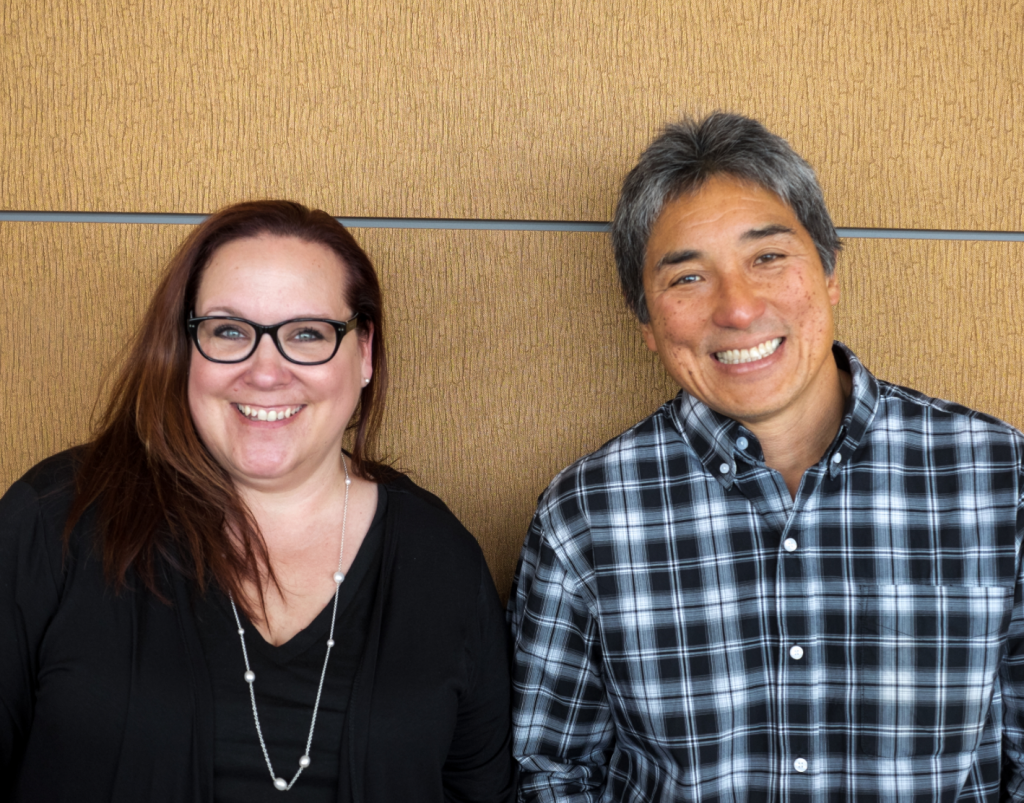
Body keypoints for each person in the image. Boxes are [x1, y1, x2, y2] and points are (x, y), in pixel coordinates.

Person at [508, 112, 1024, 800]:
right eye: (687, 278)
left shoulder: (997, 476)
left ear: (829, 271)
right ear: (649, 328)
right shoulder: (585, 516)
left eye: (768, 257)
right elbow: (549, 773)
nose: (740, 309)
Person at [0, 201, 514, 803]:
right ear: (184, 347)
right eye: (228, 331)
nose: (265, 372)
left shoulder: (442, 559)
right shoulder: (57, 516)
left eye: (306, 334)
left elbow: (482, 793)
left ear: (365, 352)